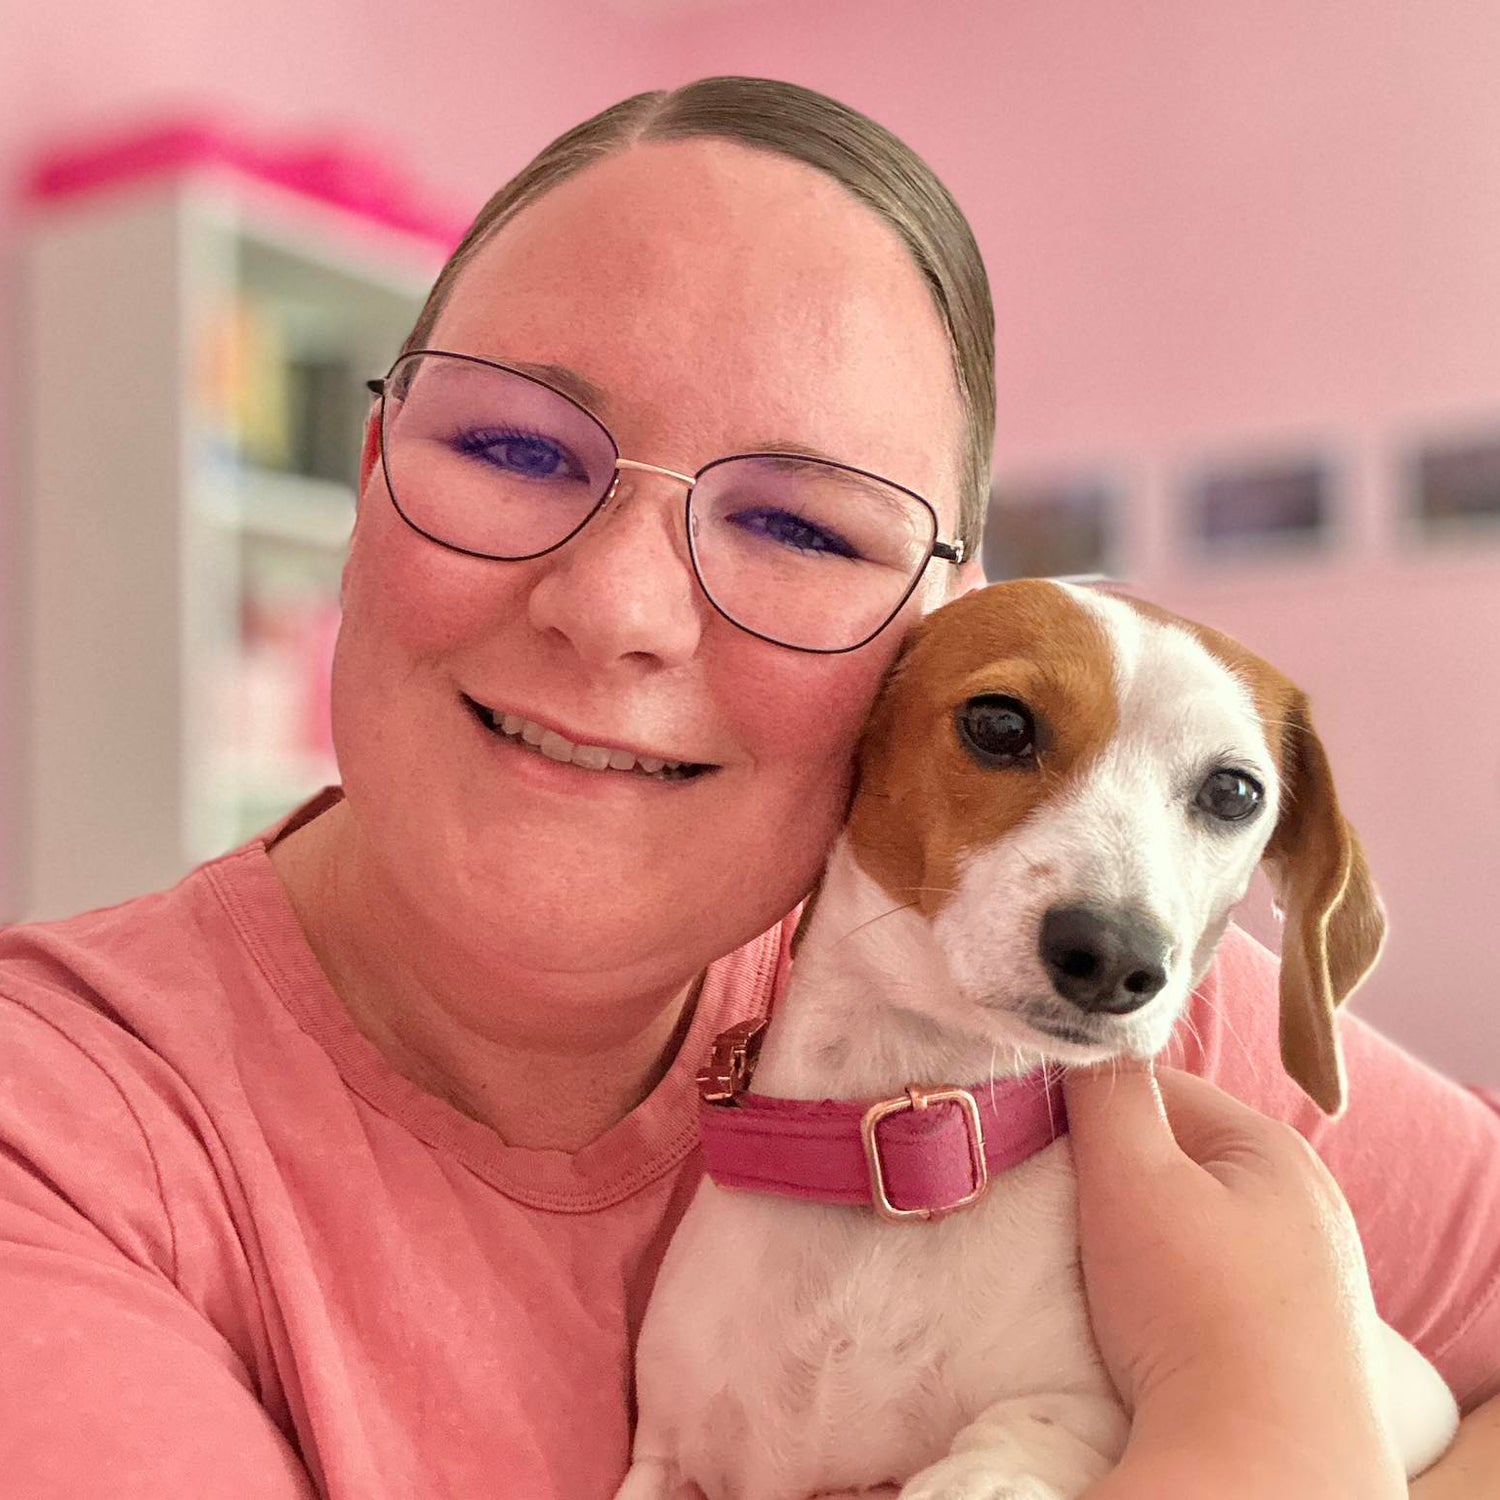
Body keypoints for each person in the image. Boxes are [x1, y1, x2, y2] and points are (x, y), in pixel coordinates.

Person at [1, 78, 1496, 1499]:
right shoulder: (60, 1148)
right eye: (514, 445)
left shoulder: (1103, 987)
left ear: (930, 623)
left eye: (804, 527)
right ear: (373, 466)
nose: (617, 608)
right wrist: (1261, 1445)